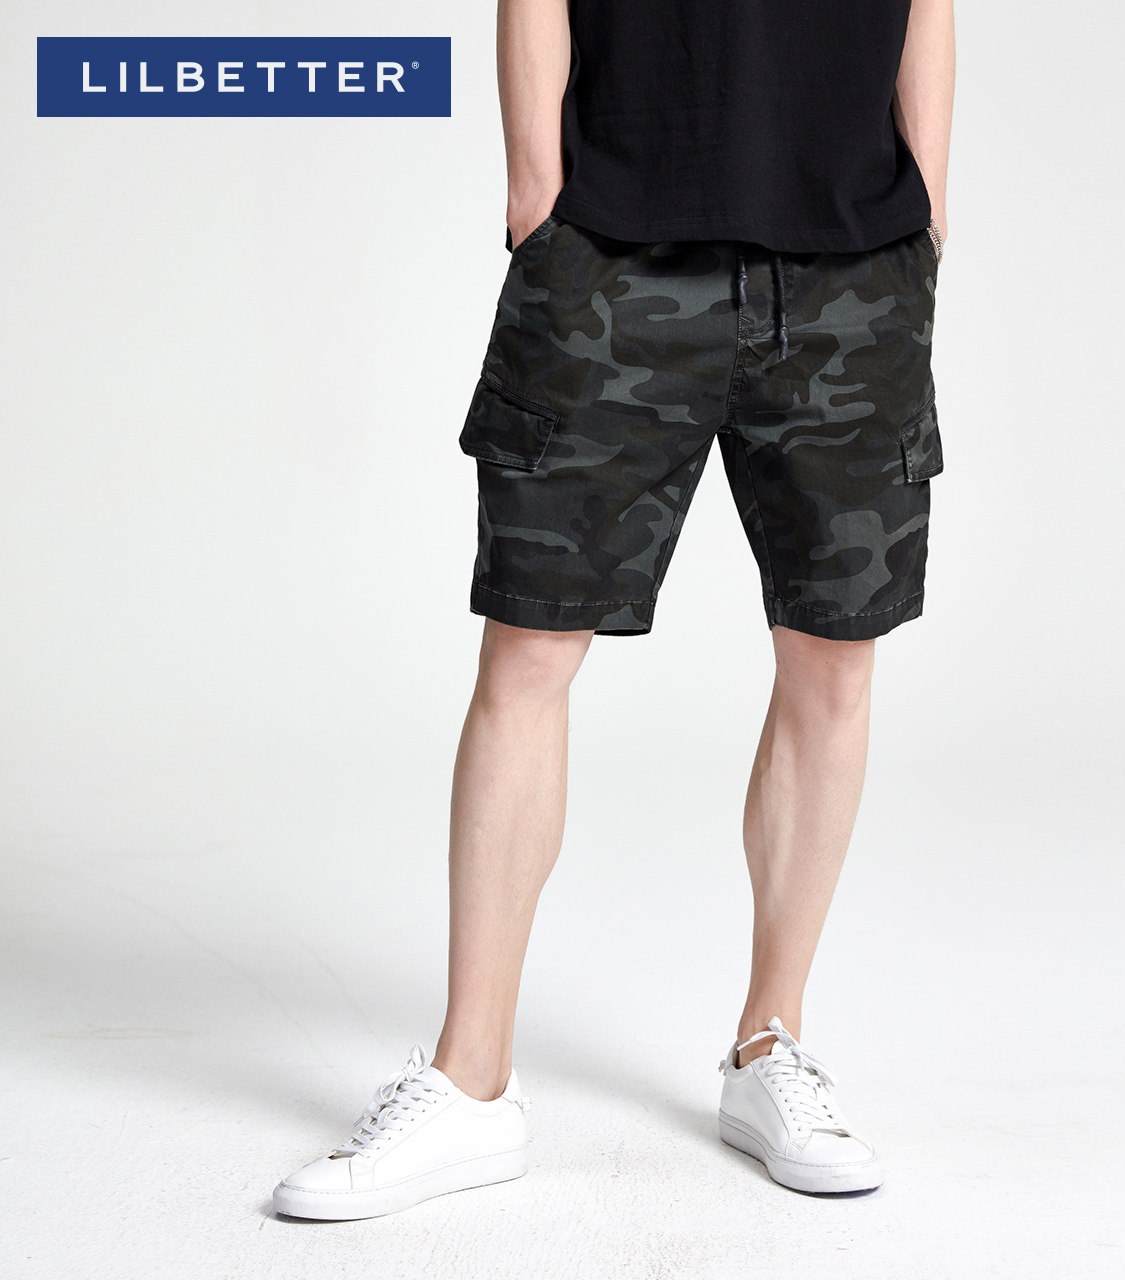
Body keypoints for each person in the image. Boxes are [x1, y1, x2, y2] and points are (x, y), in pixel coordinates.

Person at [273, 0, 954, 1220]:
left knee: (833, 657)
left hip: (853, 265)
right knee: (530, 645)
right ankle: (470, 1079)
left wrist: (928, 218)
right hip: (612, 251)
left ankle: (769, 1042)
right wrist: (537, 197)